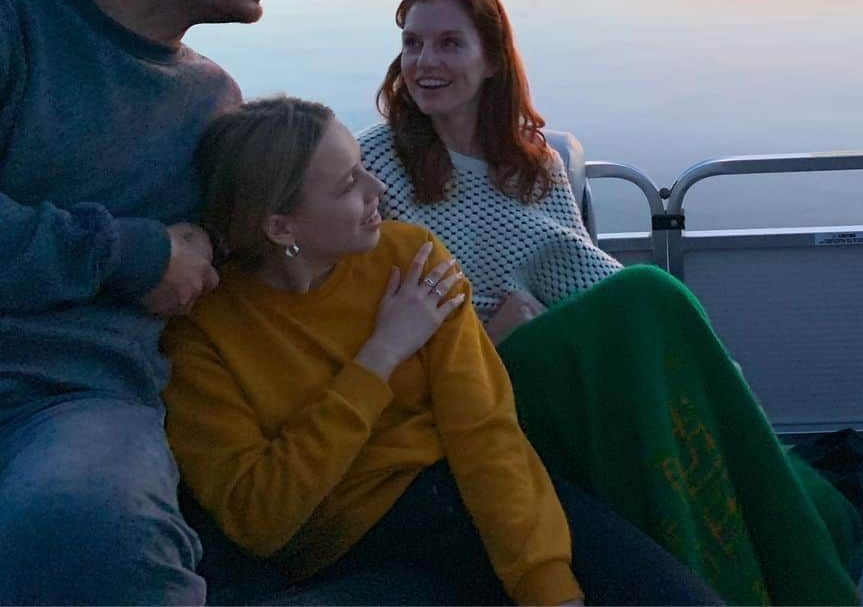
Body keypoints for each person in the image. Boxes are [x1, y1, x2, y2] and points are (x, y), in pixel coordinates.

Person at [358, 0, 863, 606]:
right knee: (648, 294)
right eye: (412, 44)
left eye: (448, 44)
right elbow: (354, 310)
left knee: (652, 311)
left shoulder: (533, 166)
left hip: (547, 359)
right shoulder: (375, 164)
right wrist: (490, 337)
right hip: (460, 385)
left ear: (491, 60)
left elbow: (582, 273)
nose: (424, 62)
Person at [162, 96, 720, 606]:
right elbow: (260, 516)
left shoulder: (412, 259)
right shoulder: (204, 333)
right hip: (353, 554)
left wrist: (545, 584)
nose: (377, 190)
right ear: (282, 225)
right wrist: (381, 355)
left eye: (364, 167)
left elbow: (484, 431)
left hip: (472, 498)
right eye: (348, 184)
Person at [0, 0, 280, 605]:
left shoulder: (214, 103)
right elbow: (152, 259)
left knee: (88, 524)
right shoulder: (14, 17)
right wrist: (135, 253)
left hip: (75, 406)